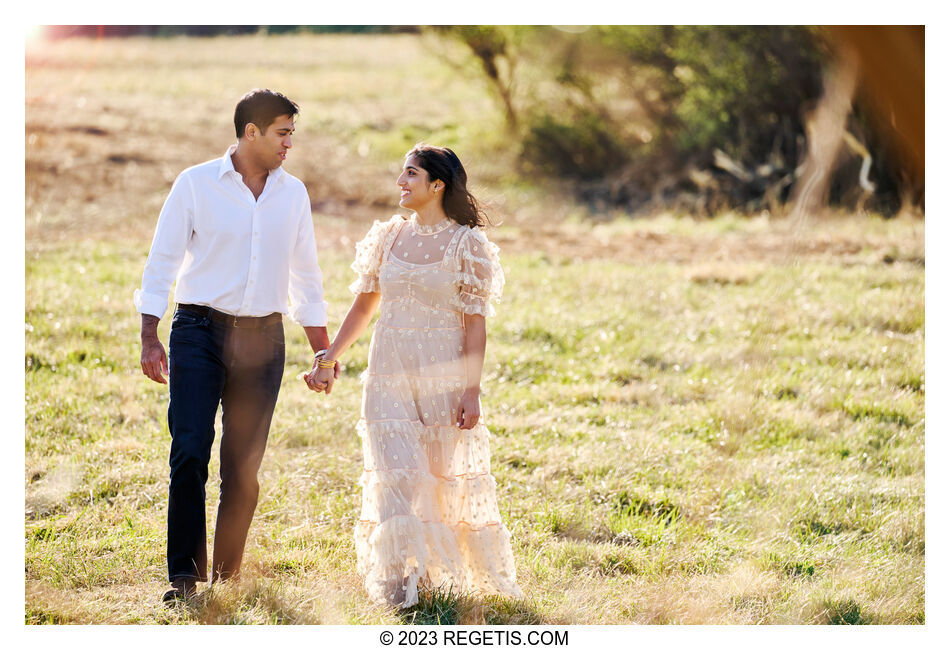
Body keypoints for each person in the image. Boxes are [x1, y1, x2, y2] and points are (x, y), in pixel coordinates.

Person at [135, 89, 336, 604]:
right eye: (282, 133)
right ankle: (183, 576)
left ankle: (226, 576)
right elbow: (162, 261)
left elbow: (305, 277)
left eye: (292, 133)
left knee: (242, 465)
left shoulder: (293, 195)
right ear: (251, 132)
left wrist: (322, 350)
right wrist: (149, 335)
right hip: (198, 331)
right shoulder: (196, 184)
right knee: (189, 450)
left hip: (264, 339)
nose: (290, 143)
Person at [305, 144, 522, 608]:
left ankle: (429, 575)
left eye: (410, 175)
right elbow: (365, 304)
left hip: (442, 378)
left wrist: (471, 391)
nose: (400, 183)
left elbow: (475, 326)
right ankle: (397, 580)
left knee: (435, 479)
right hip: (388, 375)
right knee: (395, 474)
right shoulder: (388, 236)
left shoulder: (468, 244)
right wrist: (328, 357)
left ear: (437, 185)